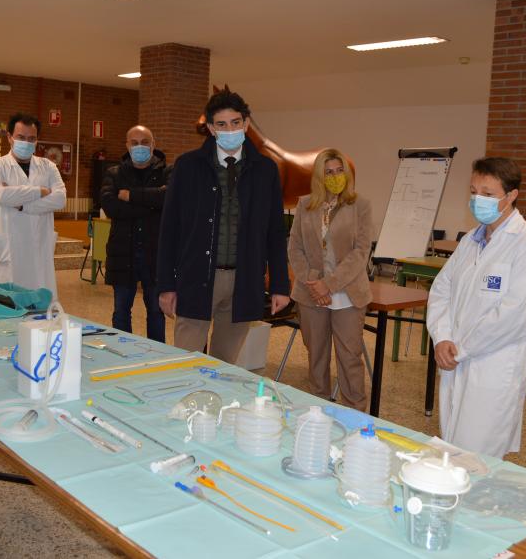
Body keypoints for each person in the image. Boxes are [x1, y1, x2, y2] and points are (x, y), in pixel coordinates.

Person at [426, 156, 526, 458]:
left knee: (480, 456)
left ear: (511, 196)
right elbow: (442, 289)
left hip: (494, 363)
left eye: (487, 193)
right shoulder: (471, 239)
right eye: (473, 191)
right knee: (454, 447)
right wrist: (442, 337)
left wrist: (462, 348)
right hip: (456, 357)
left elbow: (514, 316)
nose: (476, 199)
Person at [157, 89, 290, 364]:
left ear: (246, 124)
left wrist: (280, 284)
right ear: (210, 128)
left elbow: (276, 232)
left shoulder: (265, 170)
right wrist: (166, 285)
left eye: (236, 122)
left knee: (224, 367)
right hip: (196, 277)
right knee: (185, 363)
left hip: (244, 281)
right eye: (221, 124)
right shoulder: (188, 166)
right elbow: (169, 229)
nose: (230, 129)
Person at [288, 149, 372, 411]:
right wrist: (315, 283)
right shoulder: (304, 205)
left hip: (347, 293)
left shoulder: (361, 206)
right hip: (311, 292)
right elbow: (295, 248)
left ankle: (355, 415)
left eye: (339, 171)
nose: (335, 176)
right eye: (329, 172)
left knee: (349, 359)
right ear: (318, 176)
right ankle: (318, 412)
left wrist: (330, 284)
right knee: (317, 358)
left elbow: (361, 252)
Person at [100, 125, 171, 343]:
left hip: (155, 254)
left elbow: (169, 201)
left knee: (156, 311)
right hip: (123, 252)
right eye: (134, 142)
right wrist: (152, 203)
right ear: (127, 145)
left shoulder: (167, 172)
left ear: (153, 144)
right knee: (121, 311)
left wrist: (129, 196)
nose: (139, 147)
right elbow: (111, 207)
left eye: (145, 142)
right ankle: (124, 354)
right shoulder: (114, 173)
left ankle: (158, 354)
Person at [0, 113, 66, 296]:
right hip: (9, 251)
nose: (26, 143)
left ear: (37, 140)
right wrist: (40, 191)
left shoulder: (48, 166)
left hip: (39, 247)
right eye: (21, 137)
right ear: (9, 137)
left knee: (40, 312)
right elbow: (1, 194)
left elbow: (60, 199)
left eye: (32, 139)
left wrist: (22, 205)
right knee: (7, 310)